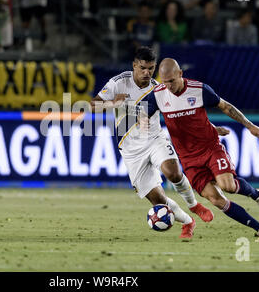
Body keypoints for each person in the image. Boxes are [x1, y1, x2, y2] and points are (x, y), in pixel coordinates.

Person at [138, 58, 259, 242]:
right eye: (165, 82)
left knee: (228, 185)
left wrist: (249, 125)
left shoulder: (199, 89)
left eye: (172, 81)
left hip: (210, 147)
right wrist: (143, 121)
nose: (168, 86)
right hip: (188, 158)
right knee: (217, 200)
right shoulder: (158, 95)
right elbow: (141, 112)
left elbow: (226, 107)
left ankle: (257, 195)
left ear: (180, 74)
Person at [90, 47, 221, 240]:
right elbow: (93, 105)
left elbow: (184, 111)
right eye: (142, 68)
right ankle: (187, 222)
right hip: (130, 149)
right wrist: (111, 104)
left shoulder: (159, 88)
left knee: (173, 172)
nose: (146, 73)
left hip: (154, 139)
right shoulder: (118, 83)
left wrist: (209, 128)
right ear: (134, 65)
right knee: (158, 202)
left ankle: (194, 205)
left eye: (151, 69)